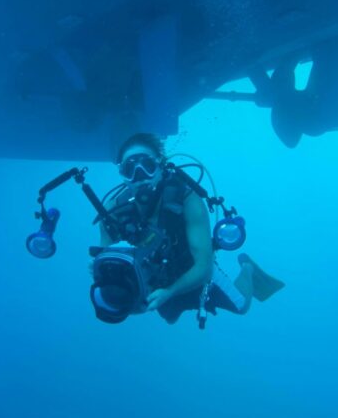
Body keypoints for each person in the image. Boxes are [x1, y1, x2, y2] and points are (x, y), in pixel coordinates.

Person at [99, 132, 284, 324]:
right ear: (123, 176)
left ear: (160, 167)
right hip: (157, 280)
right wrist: (102, 272)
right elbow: (109, 263)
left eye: (147, 166)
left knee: (241, 305)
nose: (140, 176)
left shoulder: (187, 200)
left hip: (195, 272)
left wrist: (170, 292)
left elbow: (204, 267)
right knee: (169, 316)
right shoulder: (112, 212)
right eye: (130, 169)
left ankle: (247, 268)